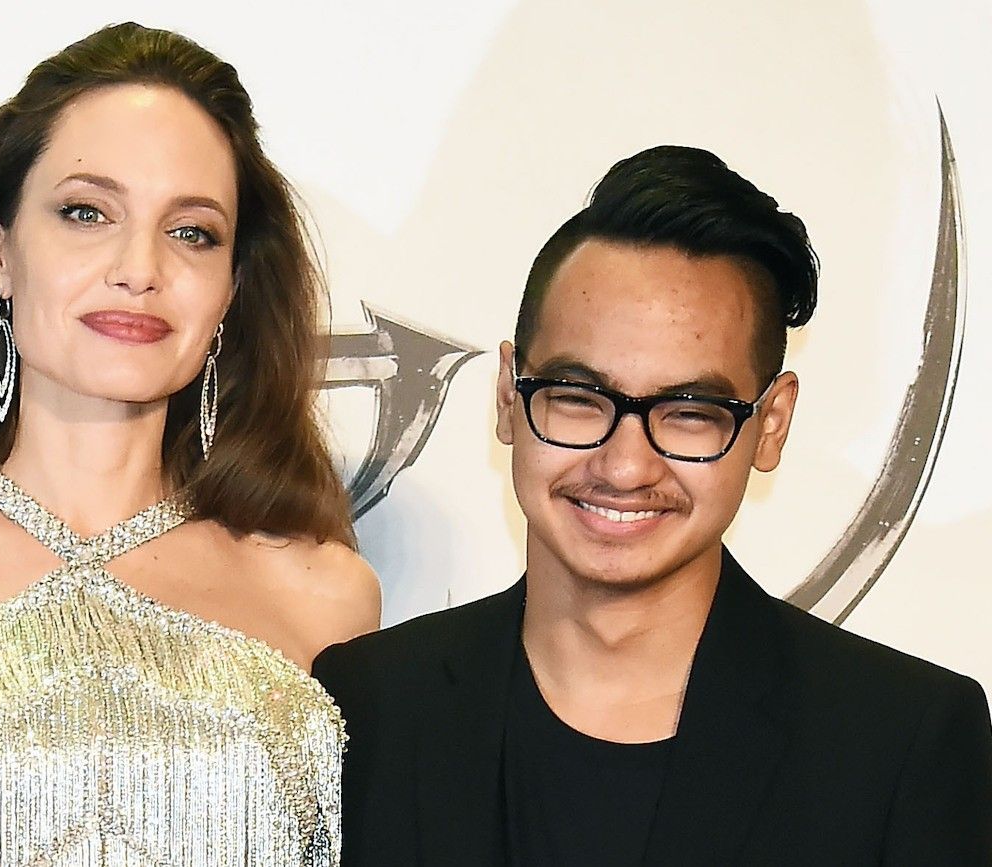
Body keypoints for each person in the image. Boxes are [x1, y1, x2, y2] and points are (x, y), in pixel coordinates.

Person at [0, 22, 379, 866]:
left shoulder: (328, 595)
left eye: (193, 232)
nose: (139, 266)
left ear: (233, 286)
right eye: (85, 212)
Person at [313, 145, 992, 865]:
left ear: (772, 425)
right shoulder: (367, 710)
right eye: (578, 398)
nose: (625, 465)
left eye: (691, 412)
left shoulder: (902, 742)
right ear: (510, 396)